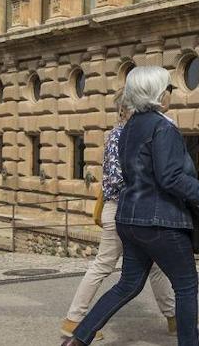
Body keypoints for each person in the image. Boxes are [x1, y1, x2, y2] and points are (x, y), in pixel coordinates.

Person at [67, 66, 199, 346]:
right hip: (160, 221)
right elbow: (170, 177)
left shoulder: (128, 128)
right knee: (186, 286)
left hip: (129, 219)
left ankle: (77, 338)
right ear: (156, 92)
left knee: (128, 284)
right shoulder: (163, 127)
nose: (171, 93)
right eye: (168, 88)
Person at [60, 102, 181, 340]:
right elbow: (117, 179)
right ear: (125, 110)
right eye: (138, 109)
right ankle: (74, 320)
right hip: (120, 209)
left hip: (130, 208)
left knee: (155, 265)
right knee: (103, 264)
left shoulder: (129, 134)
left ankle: (174, 317)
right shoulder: (120, 136)